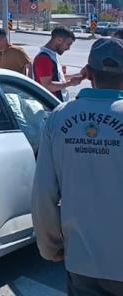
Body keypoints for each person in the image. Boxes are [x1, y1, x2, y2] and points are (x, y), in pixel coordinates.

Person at [32, 37, 123, 296]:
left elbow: (43, 193)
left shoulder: (59, 118)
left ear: (88, 73)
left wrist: (49, 245)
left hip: (82, 260)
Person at [33, 26, 83, 101]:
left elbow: (57, 78)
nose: (68, 48)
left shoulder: (51, 55)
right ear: (59, 40)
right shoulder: (43, 58)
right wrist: (69, 83)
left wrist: (79, 75)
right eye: (68, 44)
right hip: (50, 105)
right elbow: (47, 86)